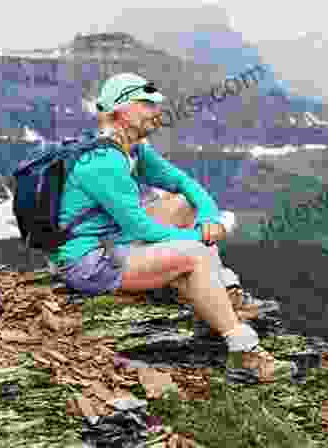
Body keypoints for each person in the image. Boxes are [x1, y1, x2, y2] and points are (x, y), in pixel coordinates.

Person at [48, 73, 274, 364]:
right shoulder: (103, 160)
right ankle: (242, 348)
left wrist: (209, 219)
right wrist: (202, 238)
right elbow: (141, 228)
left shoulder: (133, 149)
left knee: (183, 205)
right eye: (147, 105)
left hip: (116, 241)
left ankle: (225, 290)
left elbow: (186, 185)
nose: (157, 112)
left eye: (156, 105)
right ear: (121, 110)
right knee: (194, 254)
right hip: (90, 261)